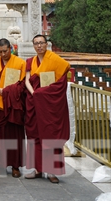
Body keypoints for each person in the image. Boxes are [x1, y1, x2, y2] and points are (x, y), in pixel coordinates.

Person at [24, 34, 71, 183]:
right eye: (36, 43)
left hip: (50, 105)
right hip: (34, 101)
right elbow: (27, 80)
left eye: (41, 43)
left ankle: (52, 171)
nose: (39, 46)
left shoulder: (55, 60)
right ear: (33, 46)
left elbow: (60, 84)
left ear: (46, 44)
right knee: (35, 135)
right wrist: (34, 94)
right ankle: (38, 169)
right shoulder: (30, 61)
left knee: (51, 134)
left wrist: (41, 93)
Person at [0, 38, 27, 178]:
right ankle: (0, 165)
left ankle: (15, 166)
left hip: (13, 103)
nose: (3, 54)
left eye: (5, 51)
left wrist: (7, 91)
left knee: (15, 135)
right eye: (0, 52)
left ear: (10, 48)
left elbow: (23, 84)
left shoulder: (20, 63)